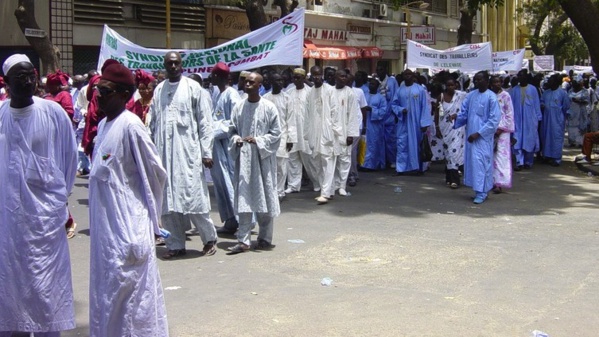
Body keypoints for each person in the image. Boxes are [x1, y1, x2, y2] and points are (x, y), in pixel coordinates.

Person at [88, 62, 169, 337]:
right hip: (106, 232)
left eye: (105, 91)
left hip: (127, 231)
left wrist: (148, 221)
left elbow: (155, 173)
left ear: (123, 95)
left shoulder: (131, 126)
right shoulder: (102, 125)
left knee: (133, 303)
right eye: (98, 90)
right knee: (109, 298)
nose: (98, 95)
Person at [0, 54, 77, 336]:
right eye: (20, 77)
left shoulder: (53, 113)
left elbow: (69, 161)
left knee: (46, 292)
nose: (29, 81)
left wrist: (57, 204)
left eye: (32, 74)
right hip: (8, 225)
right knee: (10, 290)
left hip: (45, 223)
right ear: (6, 83)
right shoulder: (1, 116)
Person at [149, 51, 218, 259]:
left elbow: (206, 123)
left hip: (188, 152)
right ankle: (175, 243)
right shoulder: (159, 90)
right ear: (164, 65)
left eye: (176, 63)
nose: (172, 66)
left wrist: (206, 152)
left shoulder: (193, 88)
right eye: (169, 63)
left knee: (194, 198)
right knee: (168, 202)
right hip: (164, 153)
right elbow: (152, 122)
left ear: (181, 65)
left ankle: (209, 239)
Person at [227, 72, 281, 254]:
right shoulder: (239, 107)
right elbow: (232, 130)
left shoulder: (269, 107)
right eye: (246, 82)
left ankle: (265, 237)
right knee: (244, 199)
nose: (247, 85)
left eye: (252, 82)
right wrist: (237, 140)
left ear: (259, 85)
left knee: (264, 196)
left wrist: (258, 140)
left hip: (262, 160)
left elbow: (276, 134)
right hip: (244, 160)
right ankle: (243, 240)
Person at [452, 71, 500, 204]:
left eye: (479, 80)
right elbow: (464, 113)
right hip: (471, 137)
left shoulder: (492, 97)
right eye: (475, 80)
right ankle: (478, 190)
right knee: (473, 163)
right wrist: (456, 119)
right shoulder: (471, 95)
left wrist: (478, 133)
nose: (477, 82)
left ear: (487, 81)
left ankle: (482, 192)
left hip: (483, 138)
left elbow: (494, 120)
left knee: (482, 163)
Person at [209, 62, 242, 234]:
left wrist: (216, 129)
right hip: (218, 148)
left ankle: (243, 221)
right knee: (221, 185)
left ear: (219, 77)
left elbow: (235, 120)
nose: (211, 78)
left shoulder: (231, 94)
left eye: (214, 75)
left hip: (229, 147)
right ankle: (230, 220)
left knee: (233, 183)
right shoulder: (217, 94)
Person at [390, 69, 432, 174]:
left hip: (416, 123)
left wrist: (424, 123)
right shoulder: (399, 90)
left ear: (413, 76)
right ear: (403, 76)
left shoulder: (420, 89)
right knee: (401, 144)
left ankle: (416, 167)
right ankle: (401, 168)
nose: (407, 76)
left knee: (416, 145)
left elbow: (424, 107)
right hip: (403, 122)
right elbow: (394, 104)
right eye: (405, 74)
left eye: (409, 74)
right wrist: (400, 110)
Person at [306, 66, 337, 204]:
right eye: (314, 75)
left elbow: (335, 112)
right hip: (314, 132)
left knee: (327, 161)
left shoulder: (330, 90)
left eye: (319, 74)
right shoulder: (310, 92)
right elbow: (307, 115)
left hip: (327, 132)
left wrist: (334, 131)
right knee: (317, 162)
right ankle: (327, 191)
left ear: (322, 75)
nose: (316, 77)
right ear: (311, 76)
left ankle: (325, 192)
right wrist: (308, 134)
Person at [263, 72, 294, 200]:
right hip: (269, 137)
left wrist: (291, 138)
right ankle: (270, 192)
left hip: (283, 135)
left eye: (281, 80)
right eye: (277, 80)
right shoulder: (265, 98)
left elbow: (291, 119)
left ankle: (280, 192)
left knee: (282, 165)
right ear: (271, 82)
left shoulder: (287, 98)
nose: (280, 83)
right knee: (270, 166)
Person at [285, 68, 316, 193]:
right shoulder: (289, 92)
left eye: (298, 77)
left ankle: (317, 183)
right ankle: (293, 185)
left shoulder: (310, 92)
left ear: (304, 78)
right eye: (294, 77)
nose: (295, 80)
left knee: (310, 159)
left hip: (306, 132)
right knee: (292, 159)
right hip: (292, 131)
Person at [331, 69, 360, 196]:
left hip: (344, 131)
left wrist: (351, 134)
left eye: (345, 76)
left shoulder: (350, 93)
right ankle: (332, 185)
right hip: (331, 131)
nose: (344, 78)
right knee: (332, 159)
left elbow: (353, 115)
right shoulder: (329, 91)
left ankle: (342, 185)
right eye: (341, 76)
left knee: (345, 159)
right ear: (335, 78)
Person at [435, 77, 466, 188]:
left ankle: (455, 180)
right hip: (445, 129)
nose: (450, 87)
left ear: (456, 85)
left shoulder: (461, 96)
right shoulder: (441, 97)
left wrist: (459, 116)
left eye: (452, 85)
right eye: (448, 85)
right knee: (448, 154)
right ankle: (449, 177)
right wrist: (437, 127)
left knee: (454, 153)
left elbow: (467, 106)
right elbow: (438, 113)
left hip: (457, 128)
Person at [509, 69, 542, 170]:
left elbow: (537, 104)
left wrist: (538, 117)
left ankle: (528, 162)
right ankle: (519, 162)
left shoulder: (533, 89)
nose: (520, 78)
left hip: (530, 120)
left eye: (522, 76)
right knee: (517, 140)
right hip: (517, 120)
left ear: (526, 77)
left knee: (529, 140)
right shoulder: (514, 90)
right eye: (519, 76)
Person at [490, 75, 515, 193]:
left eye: (499, 82)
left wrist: (501, 129)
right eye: (494, 82)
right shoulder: (488, 95)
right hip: (489, 130)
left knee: (500, 156)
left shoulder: (506, 96)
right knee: (489, 156)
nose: (497, 84)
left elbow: (509, 114)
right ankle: (489, 181)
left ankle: (499, 183)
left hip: (502, 131)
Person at [541, 74, 571, 166]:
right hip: (546, 119)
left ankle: (556, 158)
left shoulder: (562, 93)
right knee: (546, 136)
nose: (549, 82)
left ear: (556, 82)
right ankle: (547, 156)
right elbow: (541, 101)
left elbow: (566, 106)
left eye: (551, 80)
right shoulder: (546, 92)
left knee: (556, 137)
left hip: (557, 120)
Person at [376, 64, 400, 168]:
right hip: (379, 115)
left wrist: (394, 113)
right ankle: (381, 161)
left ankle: (393, 160)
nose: (379, 72)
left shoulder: (392, 81)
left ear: (385, 70)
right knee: (379, 139)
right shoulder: (376, 82)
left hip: (390, 114)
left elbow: (396, 96)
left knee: (391, 140)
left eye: (381, 69)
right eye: (378, 70)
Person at [362, 76, 387, 170]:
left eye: (373, 84)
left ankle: (371, 165)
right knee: (363, 142)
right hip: (364, 122)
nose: (371, 85)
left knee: (373, 143)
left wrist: (372, 110)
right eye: (370, 84)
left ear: (377, 86)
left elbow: (383, 111)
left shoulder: (381, 98)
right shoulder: (364, 95)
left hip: (374, 124)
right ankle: (362, 163)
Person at [567, 76, 589, 148]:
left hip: (580, 111)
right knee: (571, 126)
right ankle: (572, 141)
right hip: (572, 111)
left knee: (580, 126)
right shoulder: (570, 91)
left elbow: (587, 102)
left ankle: (579, 142)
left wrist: (579, 101)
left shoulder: (584, 91)